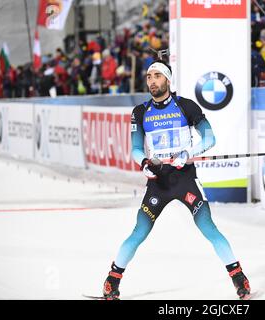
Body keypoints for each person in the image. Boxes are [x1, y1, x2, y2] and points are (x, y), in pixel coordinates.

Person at [101, 60, 251, 300]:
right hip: (158, 183)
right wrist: (144, 164)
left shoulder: (186, 106)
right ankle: (112, 280)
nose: (152, 81)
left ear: (168, 81)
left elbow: (210, 137)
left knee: (208, 228)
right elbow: (137, 149)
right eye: (149, 77)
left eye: (157, 76)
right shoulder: (140, 112)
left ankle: (238, 277)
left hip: (185, 179)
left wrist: (187, 154)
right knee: (139, 231)